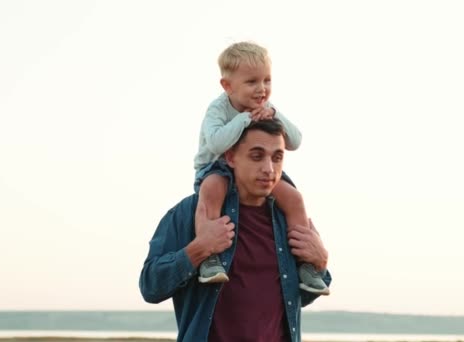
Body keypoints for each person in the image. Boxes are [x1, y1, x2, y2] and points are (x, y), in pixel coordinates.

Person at [139, 119, 332, 342]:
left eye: (277, 158)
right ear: (230, 158)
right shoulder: (192, 213)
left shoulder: (287, 219)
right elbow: (150, 286)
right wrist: (198, 249)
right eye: (257, 156)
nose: (269, 169)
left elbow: (294, 298)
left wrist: (320, 264)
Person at [193, 41, 329, 295]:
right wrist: (245, 118)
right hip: (216, 167)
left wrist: (272, 112)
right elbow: (217, 142)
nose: (262, 89)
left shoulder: (265, 107)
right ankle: (209, 259)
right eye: (252, 82)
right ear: (227, 86)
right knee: (211, 190)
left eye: (267, 80)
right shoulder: (218, 109)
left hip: (255, 173)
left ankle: (307, 265)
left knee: (293, 197)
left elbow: (295, 141)